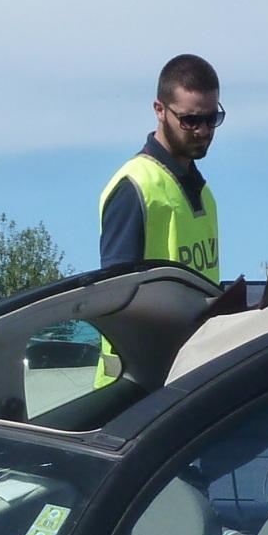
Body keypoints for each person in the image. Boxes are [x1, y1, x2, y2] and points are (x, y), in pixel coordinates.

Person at [95, 55, 223, 385]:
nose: (203, 131)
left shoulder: (204, 194)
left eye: (212, 119)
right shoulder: (134, 186)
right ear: (159, 110)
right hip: (134, 385)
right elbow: (116, 302)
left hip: (186, 370)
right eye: (191, 120)